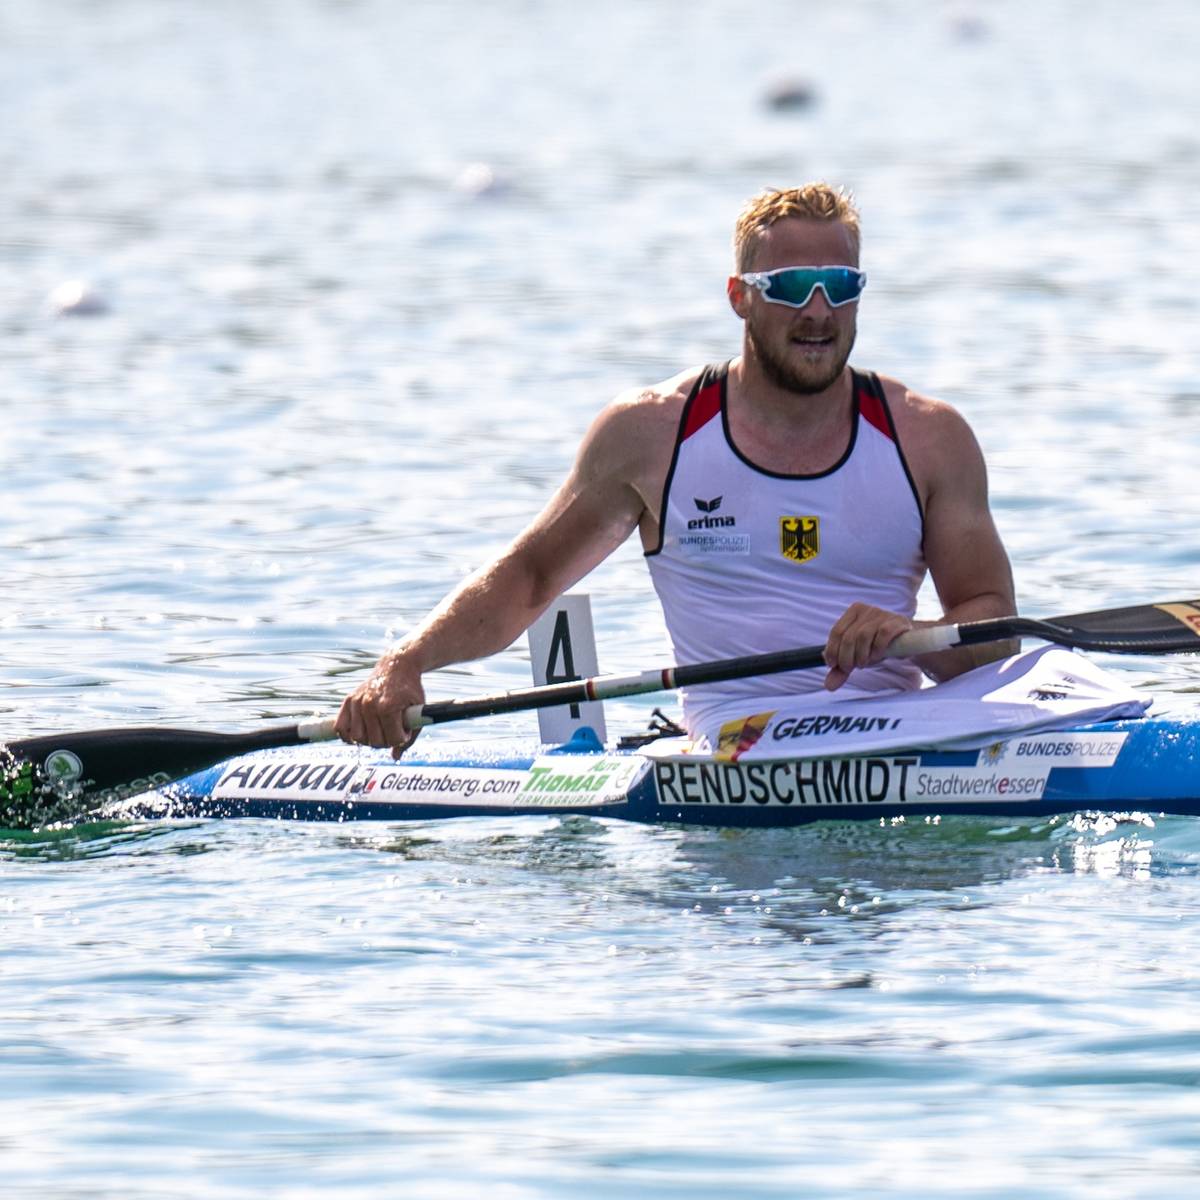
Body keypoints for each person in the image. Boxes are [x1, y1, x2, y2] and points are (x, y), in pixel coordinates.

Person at [336, 183, 1017, 754]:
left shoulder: (930, 439)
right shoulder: (652, 434)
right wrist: (405, 664)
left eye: (839, 286)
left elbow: (998, 629)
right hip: (734, 748)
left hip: (896, 738)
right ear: (738, 296)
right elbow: (528, 581)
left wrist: (913, 640)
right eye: (790, 286)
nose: (818, 311)